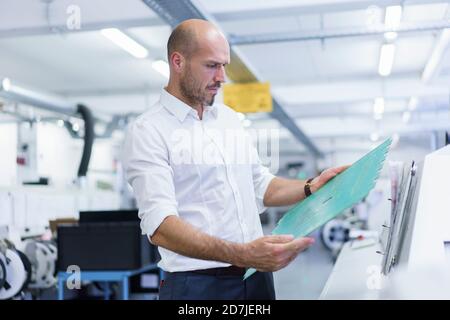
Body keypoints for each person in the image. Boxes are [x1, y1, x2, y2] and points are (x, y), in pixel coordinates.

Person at [122, 19, 348, 300]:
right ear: (178, 62)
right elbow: (161, 227)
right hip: (197, 287)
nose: (222, 77)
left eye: (224, 65)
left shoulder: (228, 119)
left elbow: (260, 183)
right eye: (211, 65)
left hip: (255, 278)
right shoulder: (148, 131)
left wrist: (310, 186)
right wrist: (242, 253)